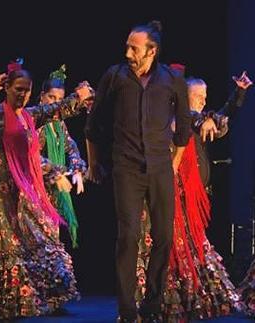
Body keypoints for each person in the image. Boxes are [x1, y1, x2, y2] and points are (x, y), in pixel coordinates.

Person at [0, 60, 93, 321]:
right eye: (18, 89)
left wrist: (79, 97)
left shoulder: (30, 116)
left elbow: (58, 109)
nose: (22, 94)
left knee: (26, 243)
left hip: (21, 190)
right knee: (1, 245)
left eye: (27, 90)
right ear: (7, 89)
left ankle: (11, 305)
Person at [84, 21, 191, 322]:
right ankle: (127, 309)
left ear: (152, 51)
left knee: (164, 237)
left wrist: (173, 164)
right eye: (128, 45)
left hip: (160, 168)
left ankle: (152, 303)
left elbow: (183, 129)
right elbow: (93, 126)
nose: (128, 51)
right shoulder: (115, 76)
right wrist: (93, 163)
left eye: (134, 47)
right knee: (128, 235)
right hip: (127, 167)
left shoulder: (171, 80)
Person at [136, 70, 252, 321]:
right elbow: (194, 120)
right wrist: (203, 120)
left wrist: (239, 94)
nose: (202, 100)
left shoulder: (201, 119)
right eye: (197, 95)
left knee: (193, 246)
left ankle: (193, 297)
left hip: (190, 198)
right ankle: (162, 299)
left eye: (205, 96)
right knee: (170, 246)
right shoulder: (174, 118)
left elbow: (218, 120)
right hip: (170, 196)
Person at [38, 64, 87, 248]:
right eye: (52, 97)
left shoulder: (59, 124)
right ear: (42, 97)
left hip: (53, 193)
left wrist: (77, 169)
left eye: (60, 99)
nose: (56, 102)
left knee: (53, 241)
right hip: (36, 193)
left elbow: (71, 146)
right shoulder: (36, 123)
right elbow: (30, 156)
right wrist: (56, 174)